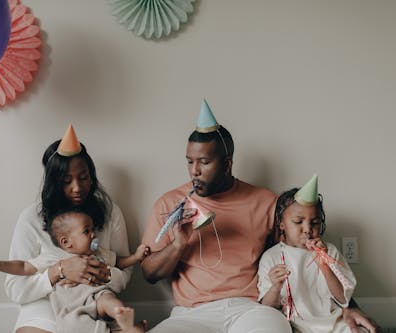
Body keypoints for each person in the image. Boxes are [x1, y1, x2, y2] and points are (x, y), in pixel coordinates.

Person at [140, 99, 379, 333]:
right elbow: (149, 274)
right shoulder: (170, 203)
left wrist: (348, 306)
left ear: (227, 165)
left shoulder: (264, 201)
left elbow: (302, 253)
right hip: (191, 313)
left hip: (251, 310)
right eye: (190, 162)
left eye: (204, 162)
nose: (195, 171)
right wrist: (179, 244)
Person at [5, 124, 132, 333]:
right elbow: (15, 288)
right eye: (66, 181)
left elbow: (125, 269)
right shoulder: (30, 219)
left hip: (94, 299)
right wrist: (58, 272)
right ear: (53, 183)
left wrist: (99, 274)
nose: (77, 187)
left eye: (83, 178)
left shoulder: (110, 212)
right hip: (44, 305)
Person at [0, 209, 150, 333]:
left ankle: (121, 314)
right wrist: (0, 265)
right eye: (87, 231)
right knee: (71, 327)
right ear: (66, 242)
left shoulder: (99, 253)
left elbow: (120, 262)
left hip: (98, 294)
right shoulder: (52, 257)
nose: (93, 235)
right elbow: (24, 267)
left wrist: (135, 257)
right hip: (71, 306)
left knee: (108, 300)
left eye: (93, 230)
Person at [258, 175, 359, 333]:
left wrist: (324, 265)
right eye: (298, 222)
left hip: (334, 322)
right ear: (281, 224)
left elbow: (343, 299)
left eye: (315, 222)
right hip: (295, 325)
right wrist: (275, 287)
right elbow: (266, 308)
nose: (307, 229)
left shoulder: (329, 251)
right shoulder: (272, 257)